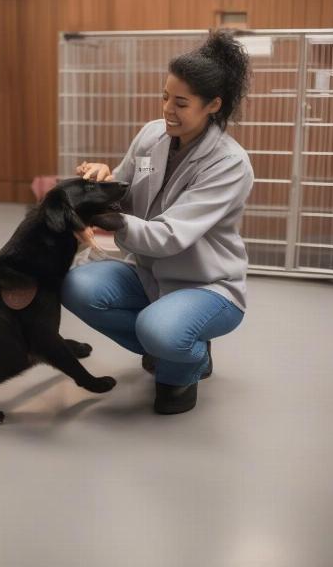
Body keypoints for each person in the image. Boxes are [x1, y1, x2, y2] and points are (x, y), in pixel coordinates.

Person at [61, 29, 254, 415]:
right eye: (165, 96)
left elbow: (169, 237)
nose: (167, 109)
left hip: (208, 286)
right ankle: (169, 347)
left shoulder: (230, 164)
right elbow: (125, 190)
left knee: (160, 330)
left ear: (212, 105)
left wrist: (108, 219)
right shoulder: (152, 135)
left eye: (181, 103)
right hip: (148, 274)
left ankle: (188, 361)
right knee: (76, 285)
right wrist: (102, 180)